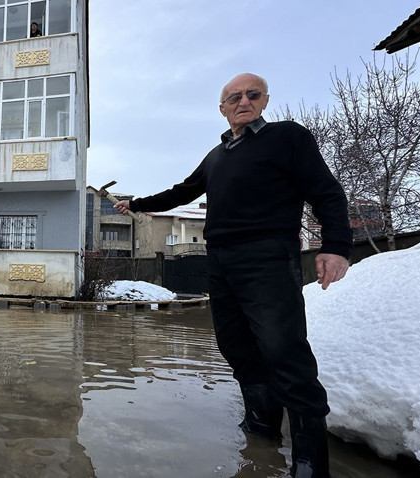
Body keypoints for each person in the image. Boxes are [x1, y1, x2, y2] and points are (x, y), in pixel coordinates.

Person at [114, 73, 351, 478]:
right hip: (220, 260)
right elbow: (181, 191)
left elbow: (326, 191)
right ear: (222, 109)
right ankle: (261, 429)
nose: (243, 101)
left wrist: (336, 246)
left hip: (268, 257)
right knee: (237, 347)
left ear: (264, 100)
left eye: (251, 94)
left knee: (284, 352)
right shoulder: (216, 155)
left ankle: (310, 463)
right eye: (233, 97)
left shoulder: (287, 137)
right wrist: (135, 203)